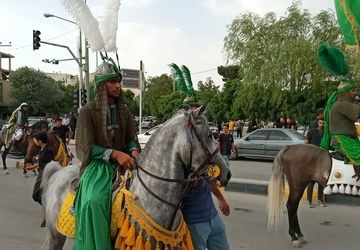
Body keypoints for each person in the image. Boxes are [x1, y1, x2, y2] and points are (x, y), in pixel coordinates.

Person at [74, 57, 140, 250]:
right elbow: (87, 147)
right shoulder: (87, 111)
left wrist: (134, 150)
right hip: (98, 167)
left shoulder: (125, 110)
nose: (117, 86)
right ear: (102, 85)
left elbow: (131, 138)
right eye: (112, 81)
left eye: (118, 81)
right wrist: (115, 154)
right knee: (93, 202)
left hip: (126, 163)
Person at [182, 103, 231, 250]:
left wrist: (222, 200)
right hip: (195, 222)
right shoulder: (181, 159)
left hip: (213, 217)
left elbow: (210, 181)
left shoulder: (204, 156)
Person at [321, 81, 360, 178]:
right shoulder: (341, 104)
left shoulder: (340, 104)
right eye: (353, 91)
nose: (355, 93)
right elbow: (358, 113)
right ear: (345, 92)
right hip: (342, 139)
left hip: (348, 138)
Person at [26, 131, 54, 227]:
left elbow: (50, 164)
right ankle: (47, 214)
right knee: (40, 195)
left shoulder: (48, 150)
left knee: (36, 194)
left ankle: (49, 211)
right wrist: (33, 167)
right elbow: (43, 162)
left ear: (40, 141)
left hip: (45, 174)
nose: (34, 141)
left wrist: (46, 177)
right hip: (42, 173)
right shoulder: (42, 150)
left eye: (35, 139)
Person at [305, 119, 326, 208]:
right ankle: (309, 201)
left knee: (321, 181)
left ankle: (320, 200)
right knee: (311, 181)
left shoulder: (326, 133)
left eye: (323, 123)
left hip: (323, 160)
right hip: (312, 160)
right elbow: (306, 143)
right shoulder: (312, 132)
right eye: (320, 123)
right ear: (318, 123)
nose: (321, 124)